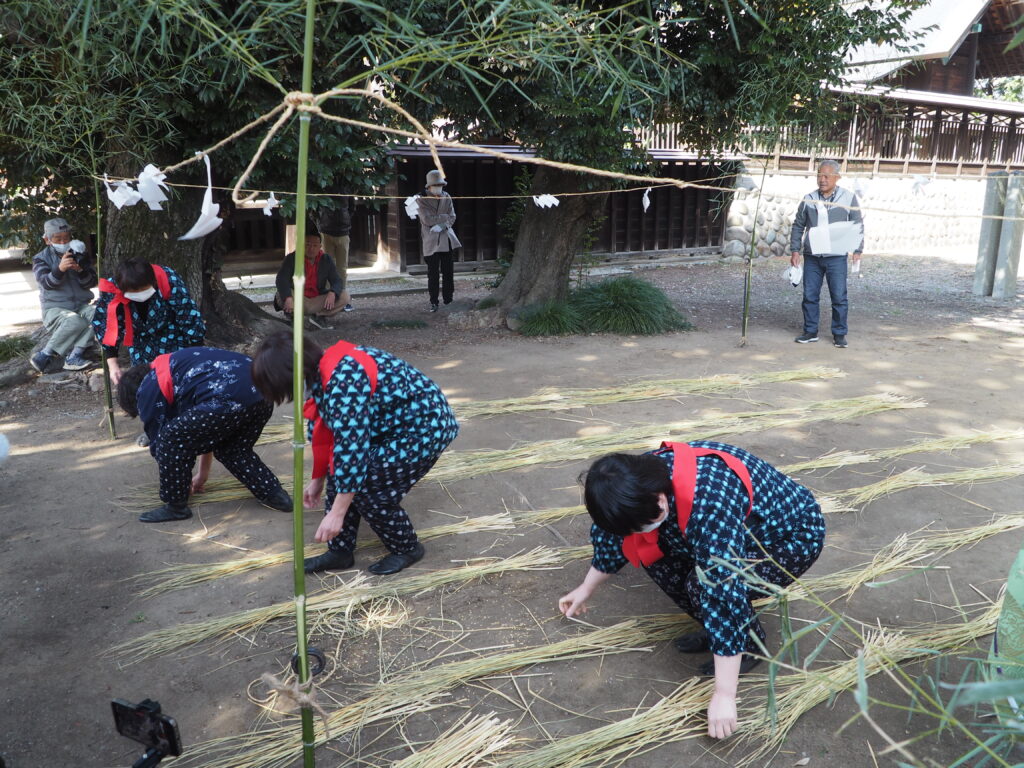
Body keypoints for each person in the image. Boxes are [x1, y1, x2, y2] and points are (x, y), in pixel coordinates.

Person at [559, 441, 825, 740]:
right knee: (652, 553)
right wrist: (586, 588)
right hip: (733, 528)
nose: (640, 530)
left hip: (786, 536)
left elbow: (722, 587)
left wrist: (725, 694)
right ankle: (720, 632)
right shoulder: (631, 485)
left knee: (703, 587)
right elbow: (615, 538)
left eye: (648, 519)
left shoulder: (709, 501)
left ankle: (748, 647)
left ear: (659, 495)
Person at [251, 332, 459, 575]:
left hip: (423, 428)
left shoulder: (343, 381)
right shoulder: (320, 371)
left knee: (371, 488)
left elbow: (353, 450)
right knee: (341, 475)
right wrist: (318, 479)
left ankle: (407, 548)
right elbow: (328, 430)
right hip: (388, 425)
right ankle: (340, 551)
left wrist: (337, 514)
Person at [116, 347, 293, 523]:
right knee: (233, 449)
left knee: (169, 439)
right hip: (263, 394)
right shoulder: (176, 365)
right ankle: (276, 496)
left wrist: (177, 482)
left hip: (227, 397)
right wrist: (202, 475)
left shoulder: (148, 387)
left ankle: (176, 506)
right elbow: (204, 432)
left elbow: (161, 442)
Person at [92, 257, 205, 386]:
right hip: (139, 341)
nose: (140, 294)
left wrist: (196, 352)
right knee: (146, 384)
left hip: (171, 335)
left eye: (144, 290)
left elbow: (188, 315)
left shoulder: (168, 280)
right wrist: (113, 366)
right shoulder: (112, 290)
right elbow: (107, 329)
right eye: (134, 292)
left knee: (176, 379)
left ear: (154, 282)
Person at [790, 159, 863, 349]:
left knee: (839, 296)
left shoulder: (848, 198)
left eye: (826, 176)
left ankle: (839, 333)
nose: (822, 179)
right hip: (812, 256)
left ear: (836, 177)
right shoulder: (809, 198)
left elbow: (857, 223)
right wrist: (795, 250)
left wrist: (858, 249)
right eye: (819, 175)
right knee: (810, 295)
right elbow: (798, 225)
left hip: (837, 256)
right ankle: (810, 331)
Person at [30, 217, 98, 373]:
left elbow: (92, 282)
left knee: (99, 314)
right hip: (55, 308)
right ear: (47, 240)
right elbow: (46, 283)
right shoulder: (40, 258)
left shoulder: (78, 253)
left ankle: (75, 356)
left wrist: (80, 270)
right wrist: (59, 269)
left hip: (81, 305)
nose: (62, 242)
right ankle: (44, 354)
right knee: (75, 321)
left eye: (66, 238)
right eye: (57, 239)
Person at [274, 220, 350, 327]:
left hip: (316, 299)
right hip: (298, 297)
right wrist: (288, 298)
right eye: (308, 245)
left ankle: (317, 316)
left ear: (320, 247)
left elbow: (337, 280)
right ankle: (295, 316)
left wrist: (333, 292)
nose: (311, 249)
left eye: (315, 245)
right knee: (281, 295)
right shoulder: (292, 258)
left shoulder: (326, 259)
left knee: (344, 296)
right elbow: (281, 279)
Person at [417, 169, 462, 312]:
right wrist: (444, 218)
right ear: (429, 187)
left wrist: (443, 224)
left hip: (446, 238)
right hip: (431, 241)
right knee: (433, 274)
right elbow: (426, 219)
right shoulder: (421, 199)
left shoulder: (447, 196)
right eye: (436, 185)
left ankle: (449, 300)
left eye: (440, 185)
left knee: (448, 272)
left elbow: (453, 217)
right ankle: (434, 302)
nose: (438, 188)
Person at [318, 196, 355, 312]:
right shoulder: (323, 187)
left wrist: (346, 220)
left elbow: (351, 207)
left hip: (343, 232)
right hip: (326, 231)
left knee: (342, 268)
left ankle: (342, 298)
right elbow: (315, 209)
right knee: (326, 267)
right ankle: (326, 297)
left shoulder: (346, 187)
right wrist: (320, 223)